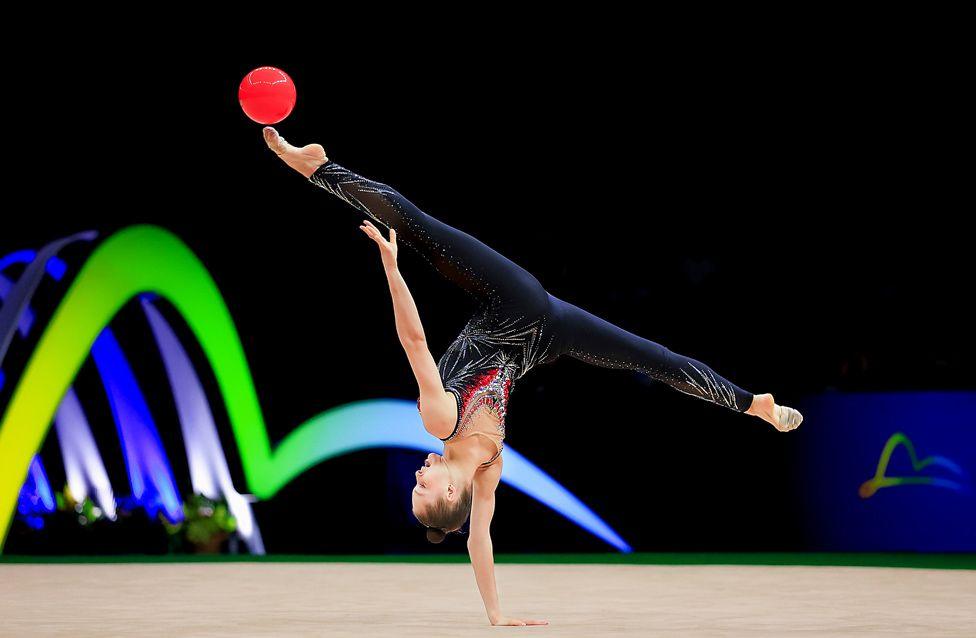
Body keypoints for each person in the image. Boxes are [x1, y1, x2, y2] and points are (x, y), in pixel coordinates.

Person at [263, 127, 802, 626]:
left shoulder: (486, 470)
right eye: (422, 487)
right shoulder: (443, 424)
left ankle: (753, 403)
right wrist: (390, 267)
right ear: (451, 488)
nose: (417, 475)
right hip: (521, 311)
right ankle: (320, 167)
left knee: (654, 359)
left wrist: (497, 616)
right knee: (419, 230)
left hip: (541, 331)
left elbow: (479, 542)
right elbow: (414, 342)